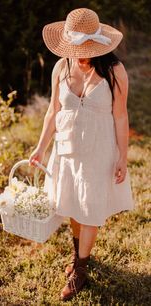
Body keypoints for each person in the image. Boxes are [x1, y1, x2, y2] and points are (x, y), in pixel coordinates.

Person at [28, 8, 135, 301]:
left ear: (99, 46)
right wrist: (41, 147)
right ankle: (79, 254)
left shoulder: (115, 72)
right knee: (75, 204)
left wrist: (122, 157)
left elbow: (121, 117)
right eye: (75, 49)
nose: (80, 55)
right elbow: (53, 110)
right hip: (67, 148)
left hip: (99, 150)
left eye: (85, 49)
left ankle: (81, 269)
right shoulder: (61, 68)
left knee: (90, 210)